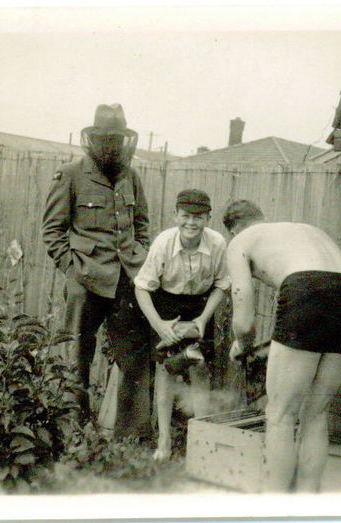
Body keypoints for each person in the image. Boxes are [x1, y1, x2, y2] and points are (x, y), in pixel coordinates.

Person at [222, 200, 341, 492]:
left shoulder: (240, 241)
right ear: (262, 218)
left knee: (280, 416)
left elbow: (244, 318)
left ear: (232, 230)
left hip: (308, 287)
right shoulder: (301, 230)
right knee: (315, 414)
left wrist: (243, 345)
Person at [41, 103, 153, 440]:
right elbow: (52, 231)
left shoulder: (130, 176)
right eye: (105, 139)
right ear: (93, 139)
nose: (111, 146)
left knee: (134, 359)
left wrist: (139, 255)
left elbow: (141, 224)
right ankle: (76, 430)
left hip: (126, 282)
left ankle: (129, 438)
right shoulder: (71, 175)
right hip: (85, 281)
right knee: (77, 356)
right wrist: (73, 270)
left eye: (117, 139)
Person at [134, 189, 230, 461]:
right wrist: (160, 325)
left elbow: (222, 285)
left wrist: (203, 318)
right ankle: (164, 442)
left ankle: (202, 441)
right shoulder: (163, 243)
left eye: (198, 217)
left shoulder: (218, 244)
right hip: (166, 306)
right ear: (175, 215)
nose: (191, 223)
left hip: (200, 306)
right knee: (167, 372)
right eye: (185, 216)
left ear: (208, 218)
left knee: (199, 369)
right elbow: (142, 288)